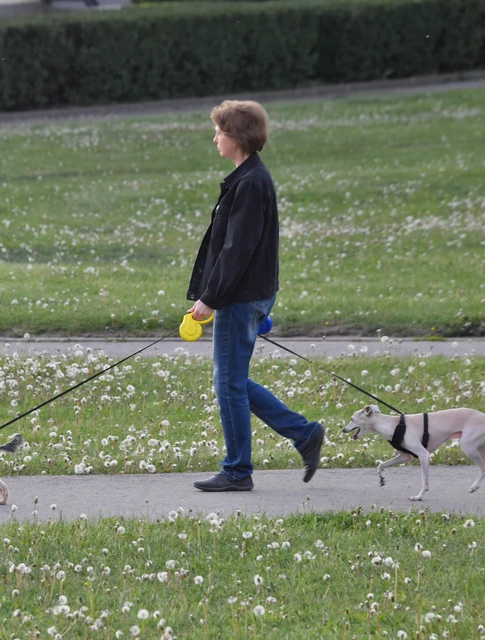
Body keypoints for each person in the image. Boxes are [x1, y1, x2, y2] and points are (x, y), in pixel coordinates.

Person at [187, 100, 324, 492]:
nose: (214, 137)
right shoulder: (249, 178)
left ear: (236, 137)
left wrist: (211, 298)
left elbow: (238, 249)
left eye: (219, 131)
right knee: (232, 381)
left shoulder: (250, 183)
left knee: (228, 384)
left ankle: (237, 471)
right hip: (250, 295)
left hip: (238, 296)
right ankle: (304, 434)